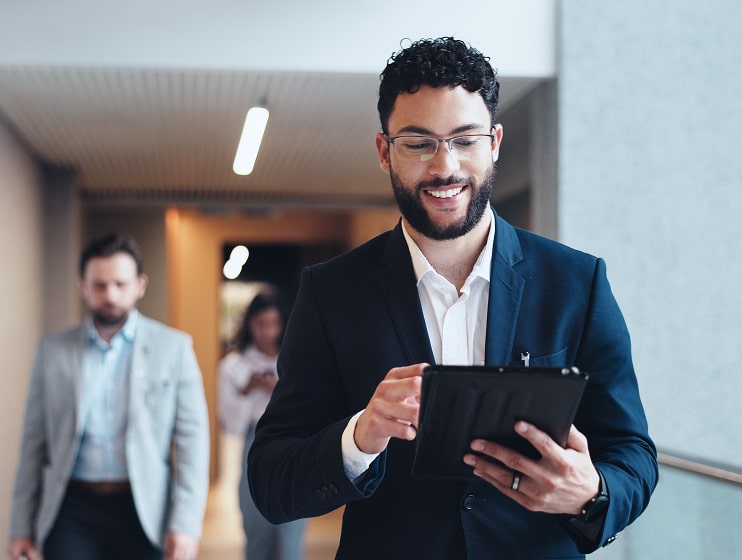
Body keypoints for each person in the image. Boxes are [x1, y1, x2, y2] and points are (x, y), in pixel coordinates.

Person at [247, 37, 658, 560]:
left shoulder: (578, 282)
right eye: (419, 143)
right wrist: (360, 436)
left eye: (465, 139)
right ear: (383, 151)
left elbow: (634, 454)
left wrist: (591, 493)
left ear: (495, 143)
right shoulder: (331, 293)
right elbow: (270, 479)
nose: (445, 167)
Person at [7, 233, 210, 560]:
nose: (110, 295)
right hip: (71, 508)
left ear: (140, 285)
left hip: (144, 508)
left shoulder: (174, 349)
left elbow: (192, 441)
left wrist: (186, 524)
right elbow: (33, 441)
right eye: (100, 285)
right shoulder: (52, 351)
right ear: (83, 286)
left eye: (120, 283)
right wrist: (21, 527)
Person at [217, 293, 307, 560]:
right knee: (254, 526)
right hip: (252, 442)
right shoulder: (233, 367)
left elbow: (311, 410)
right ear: (249, 324)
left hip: (294, 443)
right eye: (260, 323)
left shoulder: (298, 361)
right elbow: (231, 427)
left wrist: (279, 390)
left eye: (274, 323)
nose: (267, 331)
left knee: (291, 531)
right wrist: (249, 390)